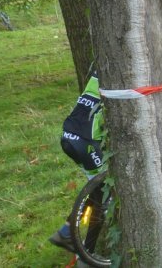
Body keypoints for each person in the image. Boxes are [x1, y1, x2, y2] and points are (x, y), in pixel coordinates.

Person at [48, 69, 106, 253]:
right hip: (85, 141)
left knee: (97, 191)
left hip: (70, 135)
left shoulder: (101, 67)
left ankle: (68, 232)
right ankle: (84, 251)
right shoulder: (122, 73)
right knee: (104, 194)